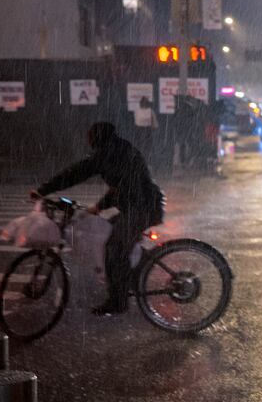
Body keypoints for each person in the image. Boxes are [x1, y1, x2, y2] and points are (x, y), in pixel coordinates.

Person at [31, 122, 164, 316]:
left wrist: (43, 190)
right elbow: (121, 186)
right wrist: (99, 207)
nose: (88, 140)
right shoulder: (117, 150)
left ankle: (118, 301)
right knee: (108, 236)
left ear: (98, 137)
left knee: (114, 248)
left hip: (143, 208)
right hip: (138, 205)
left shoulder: (109, 154)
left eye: (90, 136)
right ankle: (134, 277)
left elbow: (76, 173)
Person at [132, 96, 157, 162]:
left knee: (139, 146)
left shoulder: (137, 111)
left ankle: (139, 160)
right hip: (147, 130)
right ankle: (146, 161)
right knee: (147, 148)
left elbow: (135, 121)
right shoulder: (150, 111)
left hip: (138, 130)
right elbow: (155, 125)